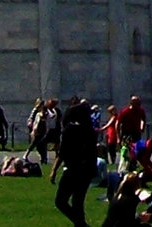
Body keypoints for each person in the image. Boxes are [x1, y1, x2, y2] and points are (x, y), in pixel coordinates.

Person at [54, 96, 99, 227]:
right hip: (88, 169)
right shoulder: (90, 131)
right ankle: (81, 224)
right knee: (78, 201)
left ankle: (81, 224)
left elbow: (62, 153)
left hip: (73, 169)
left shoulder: (70, 130)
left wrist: (54, 170)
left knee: (61, 201)